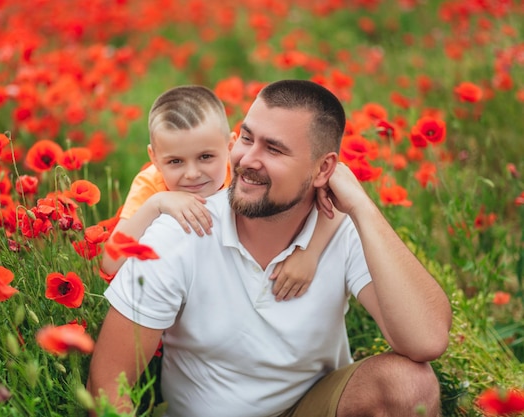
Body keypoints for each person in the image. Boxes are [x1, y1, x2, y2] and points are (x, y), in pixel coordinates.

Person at [88, 80, 452, 417]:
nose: (247, 160)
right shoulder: (178, 233)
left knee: (409, 385)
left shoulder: (338, 227)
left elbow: (426, 341)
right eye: (247, 139)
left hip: (310, 404)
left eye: (274, 149)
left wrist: (361, 206)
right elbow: (107, 386)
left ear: (324, 169)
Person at [102, 84, 344, 301]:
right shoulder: (152, 185)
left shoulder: (244, 174)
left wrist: (310, 253)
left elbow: (339, 205)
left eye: (206, 157)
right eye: (175, 161)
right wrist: (156, 204)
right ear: (154, 158)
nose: (192, 173)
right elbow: (111, 262)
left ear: (231, 145)